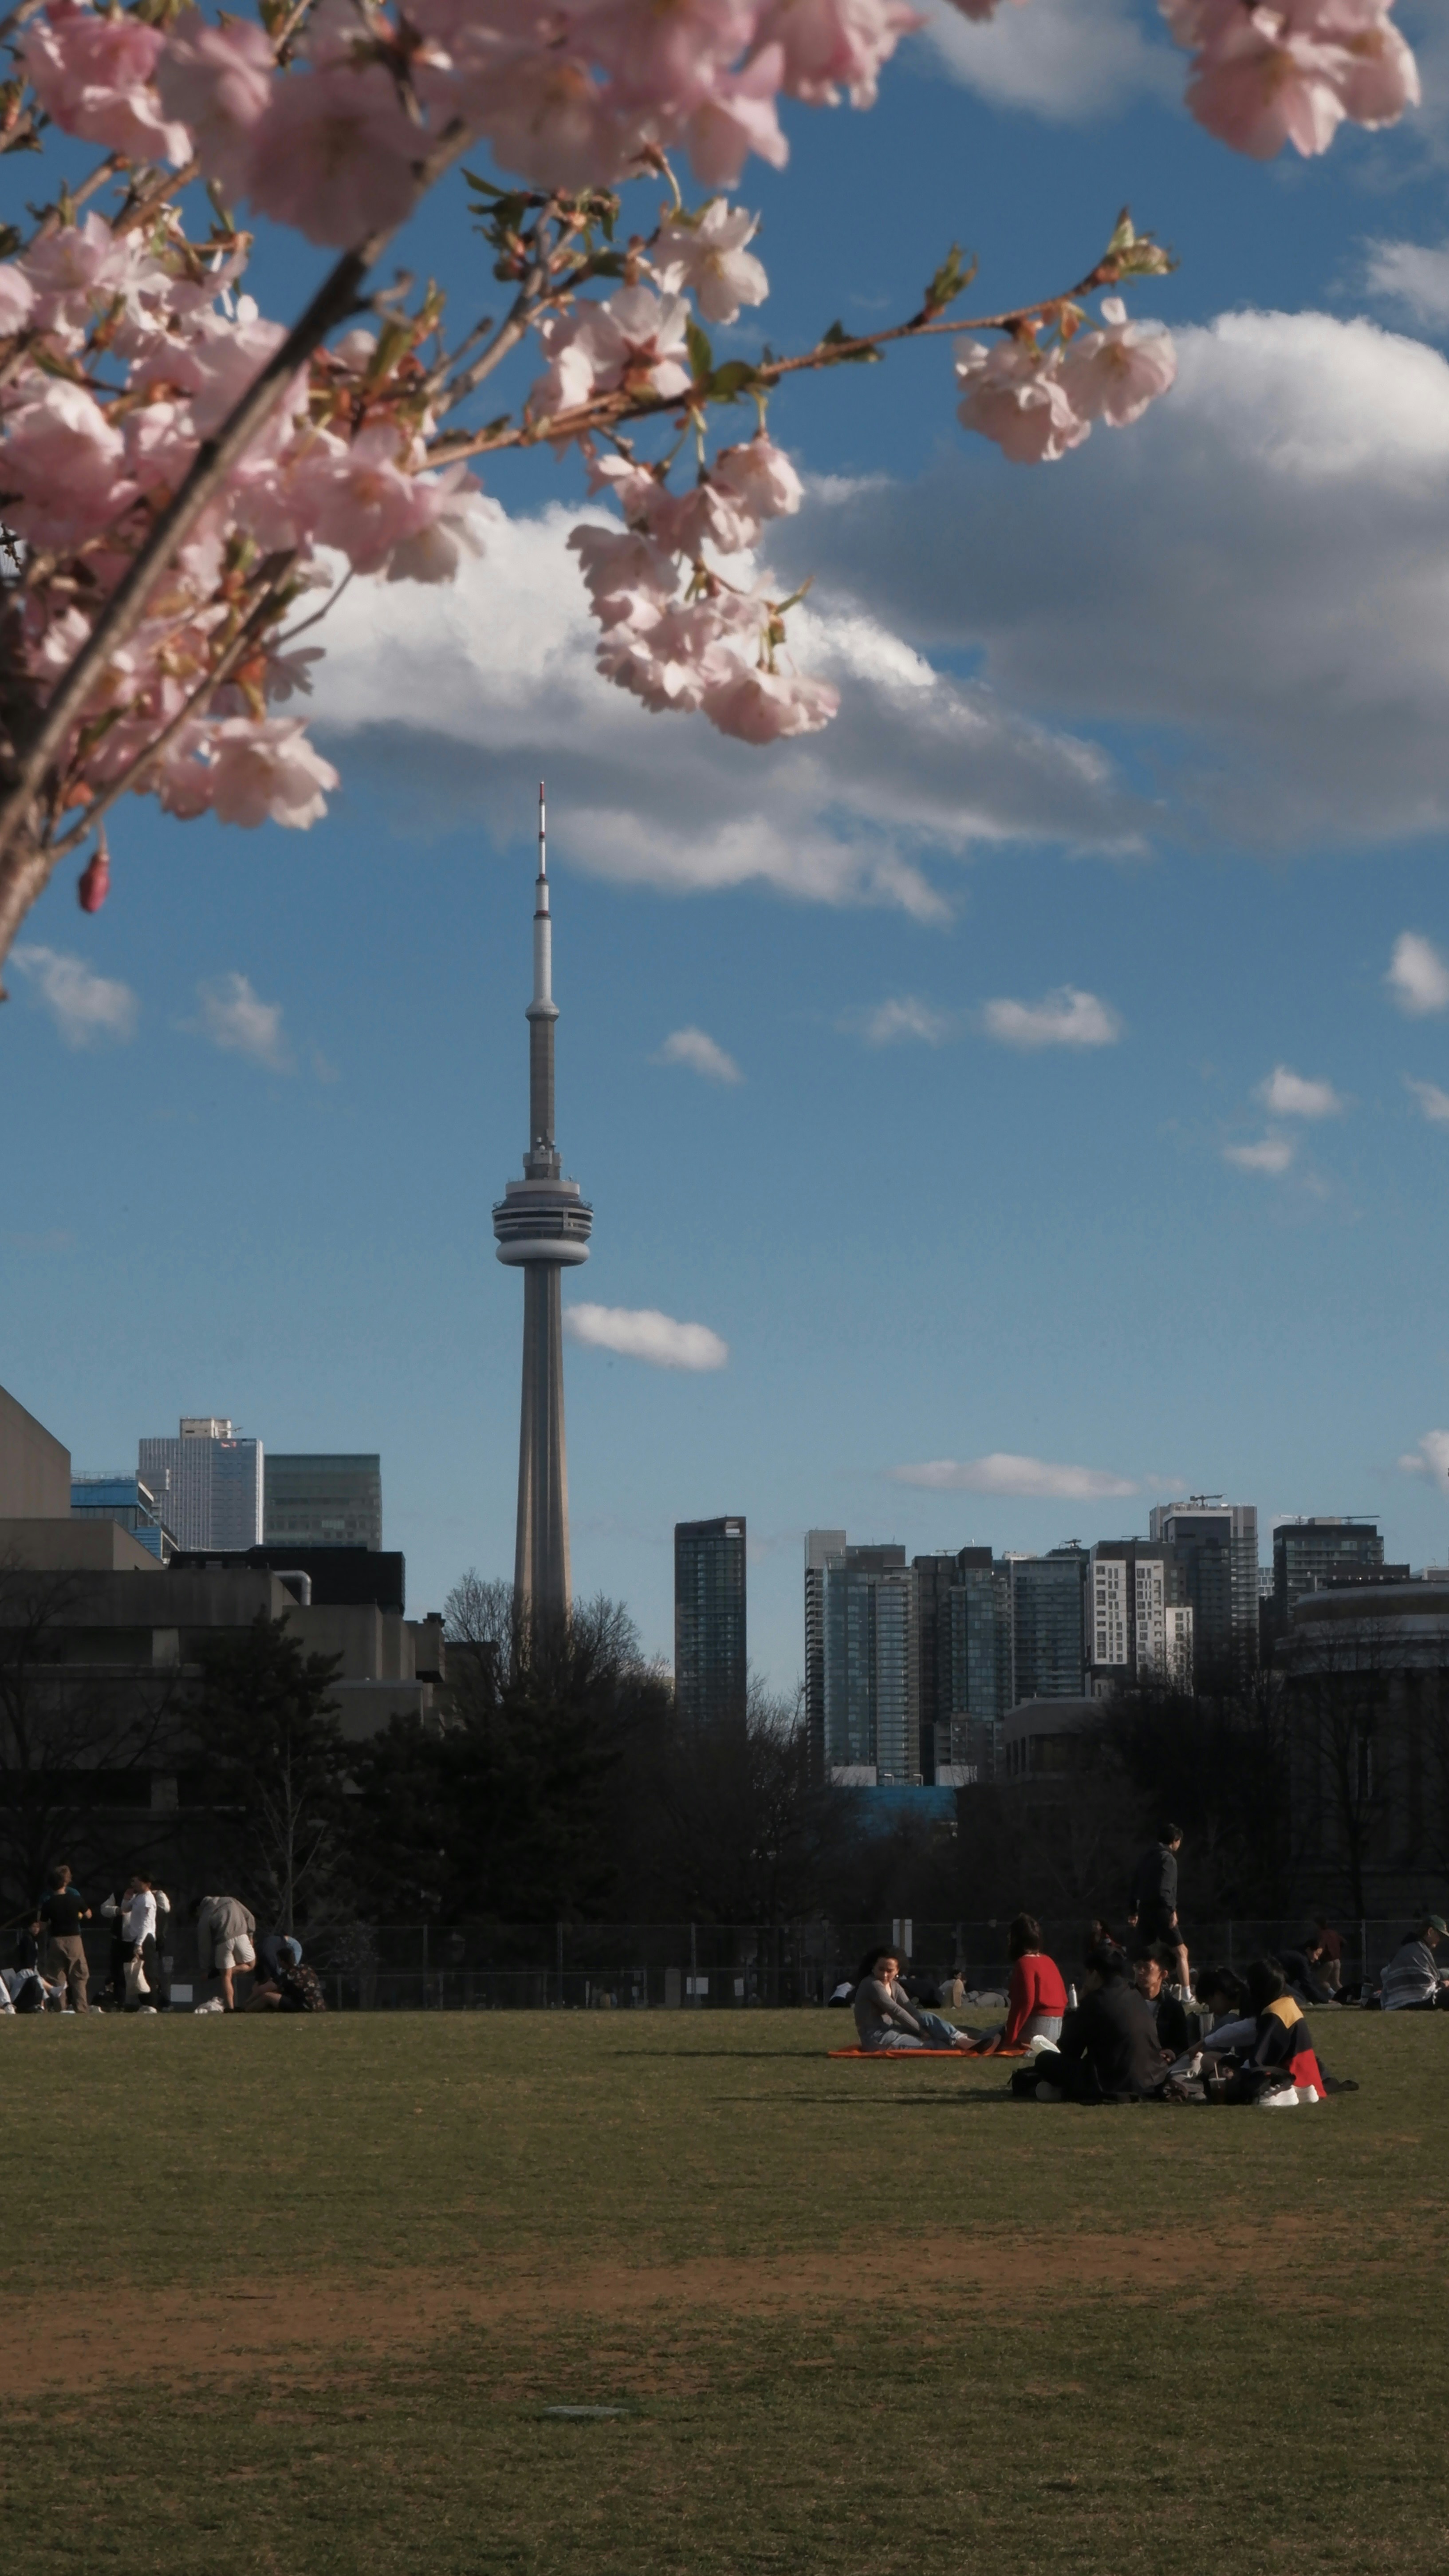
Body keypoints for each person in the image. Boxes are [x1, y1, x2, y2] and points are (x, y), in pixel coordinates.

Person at [1012, 1944, 1171, 2102]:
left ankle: (1061, 2092)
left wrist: (1079, 2008)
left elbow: (1069, 2050)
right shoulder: (1134, 1995)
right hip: (1152, 2079)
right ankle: (1059, 2092)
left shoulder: (1096, 2001)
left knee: (1045, 2059)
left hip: (1114, 2082)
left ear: (1094, 1974)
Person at [1206, 1958, 1326, 2102]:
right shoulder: (1286, 2003)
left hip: (1291, 2076)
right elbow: (1248, 2029)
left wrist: (1237, 2075)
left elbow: (1260, 2061)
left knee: (1234, 2089)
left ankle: (1285, 2092)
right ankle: (1302, 2092)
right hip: (1307, 2075)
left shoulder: (1273, 2014)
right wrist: (1206, 2041)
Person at [976, 1915, 1068, 2055]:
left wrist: (1010, 2038)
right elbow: (1063, 1998)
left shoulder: (1024, 1964)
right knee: (993, 2030)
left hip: (1038, 2027)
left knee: (983, 2038)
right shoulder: (1048, 1960)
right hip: (1056, 2028)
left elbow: (1024, 2004)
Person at [852, 1950, 974, 2051]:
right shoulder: (872, 1984)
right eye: (881, 1969)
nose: (884, 1975)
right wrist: (921, 2032)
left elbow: (910, 2009)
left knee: (927, 2017)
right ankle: (963, 2046)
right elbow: (896, 2011)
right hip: (877, 2039)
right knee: (932, 2045)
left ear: (897, 1971)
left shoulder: (894, 1986)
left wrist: (926, 2026)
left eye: (889, 1971)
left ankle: (963, 2040)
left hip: (892, 2030)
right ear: (874, 1968)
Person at [1126, 1822, 1190, 1995]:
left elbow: (1135, 1884)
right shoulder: (1167, 1858)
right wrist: (1172, 1910)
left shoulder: (1146, 1857)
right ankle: (1187, 1994)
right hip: (1161, 1910)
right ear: (1175, 1840)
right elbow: (1165, 1888)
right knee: (1181, 1951)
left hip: (1145, 1910)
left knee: (1146, 1955)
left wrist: (1133, 1910)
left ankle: (1140, 1991)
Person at [37, 1864, 91, 2014]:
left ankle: (61, 2008)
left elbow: (42, 1926)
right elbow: (89, 1915)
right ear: (65, 1883)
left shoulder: (48, 1903)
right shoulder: (76, 1899)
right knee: (79, 1975)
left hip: (56, 1941)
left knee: (56, 1976)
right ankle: (81, 2009)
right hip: (74, 1940)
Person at [191, 1892, 257, 2011]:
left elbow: (204, 1944)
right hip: (242, 1936)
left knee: (226, 1977)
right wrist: (251, 1935)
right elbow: (249, 1916)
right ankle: (224, 1972)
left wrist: (205, 1968)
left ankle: (230, 2008)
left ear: (198, 1909)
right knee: (251, 1965)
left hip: (223, 1942)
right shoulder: (231, 1900)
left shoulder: (205, 1916)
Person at [1134, 1945, 1194, 2054]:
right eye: (1138, 1967)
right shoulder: (1126, 2000)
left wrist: (1171, 2053)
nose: (1140, 1972)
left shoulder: (1173, 2007)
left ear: (1163, 1974)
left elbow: (1182, 2045)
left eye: (1147, 1968)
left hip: (1162, 2064)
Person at [1379, 1917, 1449, 2012]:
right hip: (1417, 1999)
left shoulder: (1408, 1948)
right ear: (1430, 1931)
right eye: (1439, 1935)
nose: (1440, 1940)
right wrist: (1442, 1985)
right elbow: (1425, 1985)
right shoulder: (1418, 1951)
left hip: (1397, 2001)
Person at [245, 1935, 327, 2013]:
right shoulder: (307, 1968)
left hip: (304, 2007)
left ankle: (246, 2011)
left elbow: (263, 1989)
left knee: (267, 1996)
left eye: (279, 1961)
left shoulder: (288, 1975)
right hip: (319, 2006)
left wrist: (249, 2001)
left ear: (283, 1962)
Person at [1313, 1917, 1344, 1996]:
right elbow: (1344, 1942)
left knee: (1321, 1981)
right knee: (1336, 1982)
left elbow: (1321, 1947)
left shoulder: (1322, 1934)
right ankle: (1346, 1996)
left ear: (1318, 1925)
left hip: (1328, 1961)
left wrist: (1316, 1957)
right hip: (1337, 1961)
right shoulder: (1333, 1933)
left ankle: (1334, 1995)